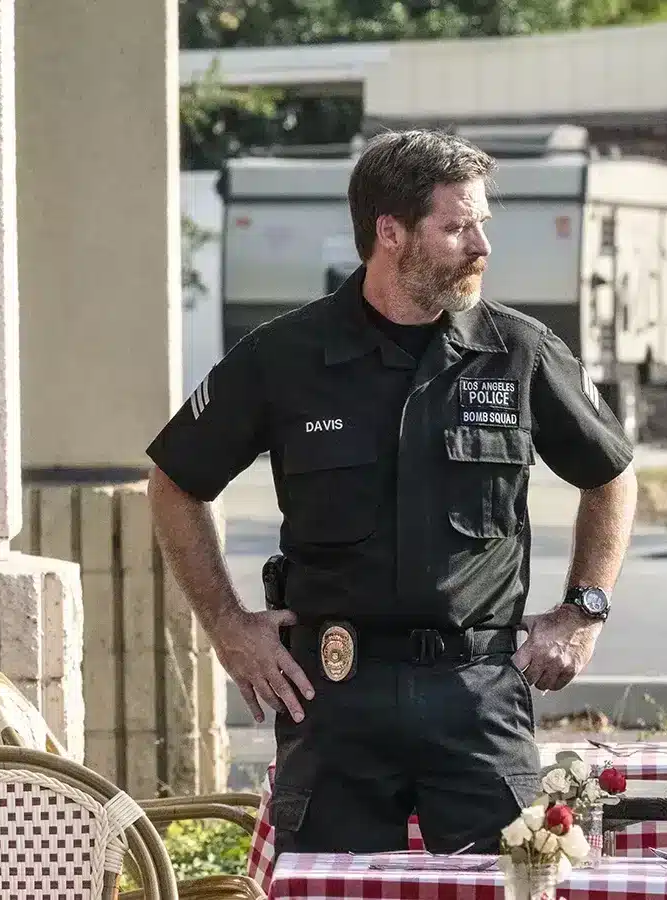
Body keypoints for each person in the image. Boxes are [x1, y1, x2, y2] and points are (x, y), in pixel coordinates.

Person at [145, 129, 637, 855]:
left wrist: (583, 612)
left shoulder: (520, 352)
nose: (482, 246)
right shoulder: (284, 357)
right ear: (390, 232)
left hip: (478, 695)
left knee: (509, 886)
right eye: (457, 227)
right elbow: (174, 482)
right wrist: (227, 624)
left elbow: (612, 475)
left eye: (482, 224)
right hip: (334, 695)